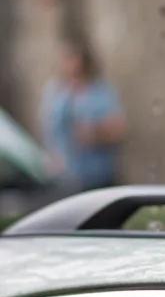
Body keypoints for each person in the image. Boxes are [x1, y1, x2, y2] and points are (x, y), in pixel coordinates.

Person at [39, 37, 127, 191]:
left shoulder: (101, 92)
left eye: (74, 59)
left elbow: (119, 129)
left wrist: (95, 133)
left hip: (97, 175)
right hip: (63, 177)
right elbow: (49, 130)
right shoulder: (55, 92)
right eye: (67, 59)